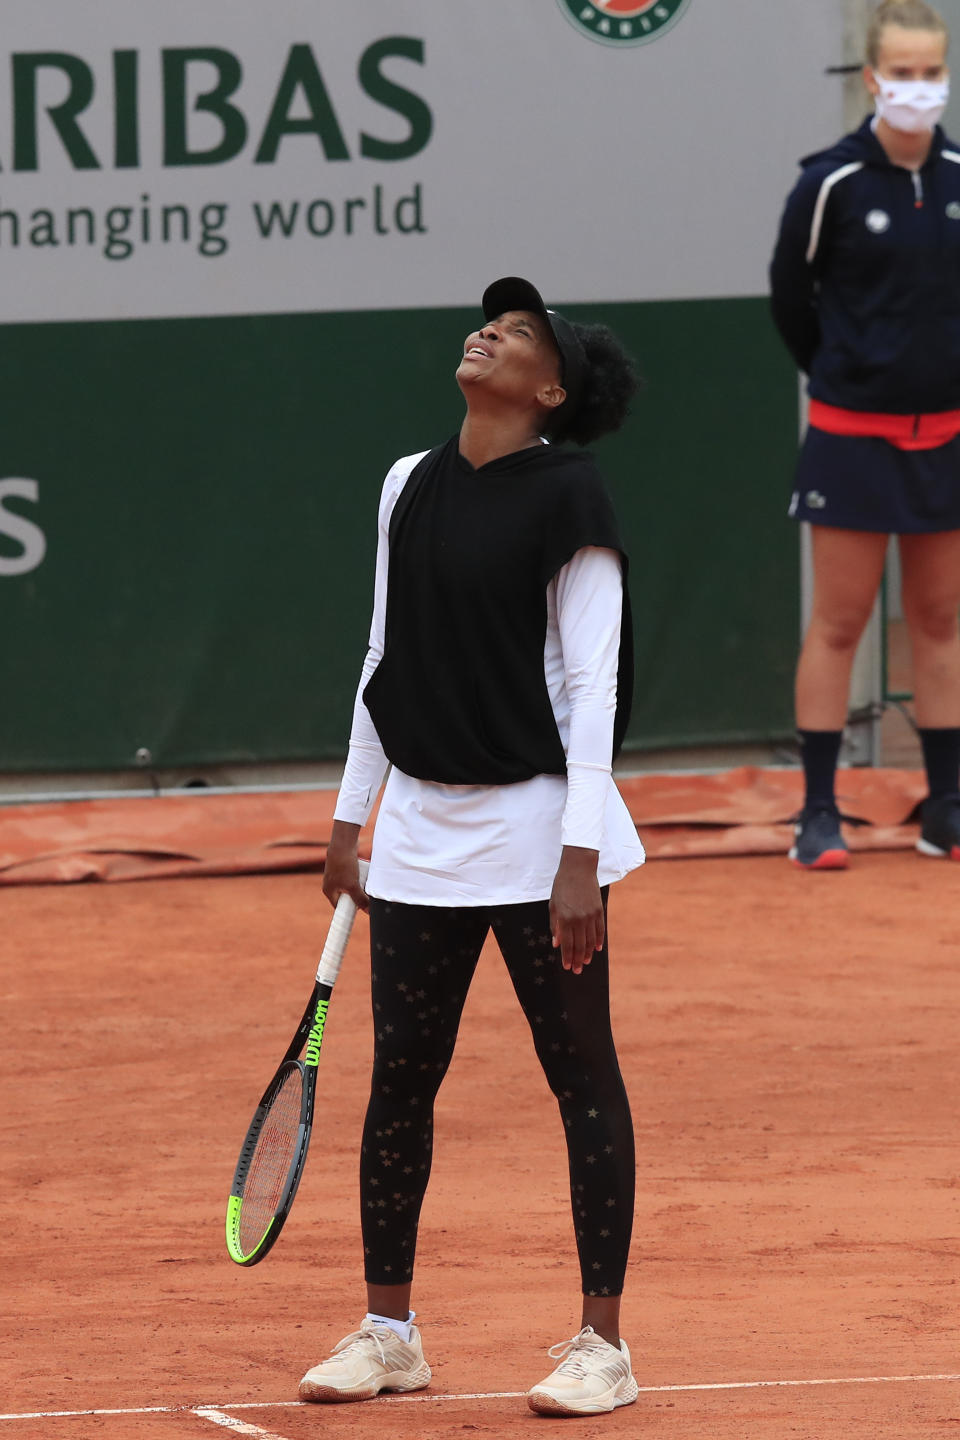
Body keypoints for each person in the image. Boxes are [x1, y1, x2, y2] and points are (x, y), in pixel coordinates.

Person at [297, 277, 645, 1416]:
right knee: (401, 1078)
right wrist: (354, 819)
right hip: (423, 839)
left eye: (522, 331)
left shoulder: (571, 496)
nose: (491, 329)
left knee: (578, 1075)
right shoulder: (409, 484)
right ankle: (389, 1332)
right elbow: (379, 652)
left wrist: (582, 855)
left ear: (550, 389)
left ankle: (602, 1348)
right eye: (491, 319)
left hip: (543, 827)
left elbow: (592, 685)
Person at [770, 0, 960, 869]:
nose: (918, 88)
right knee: (839, 622)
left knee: (943, 620)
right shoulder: (830, 183)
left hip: (946, 437)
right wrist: (847, 375)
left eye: (932, 71)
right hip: (850, 436)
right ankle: (818, 815)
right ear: (873, 78)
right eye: (903, 73)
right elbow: (790, 300)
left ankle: (944, 809)